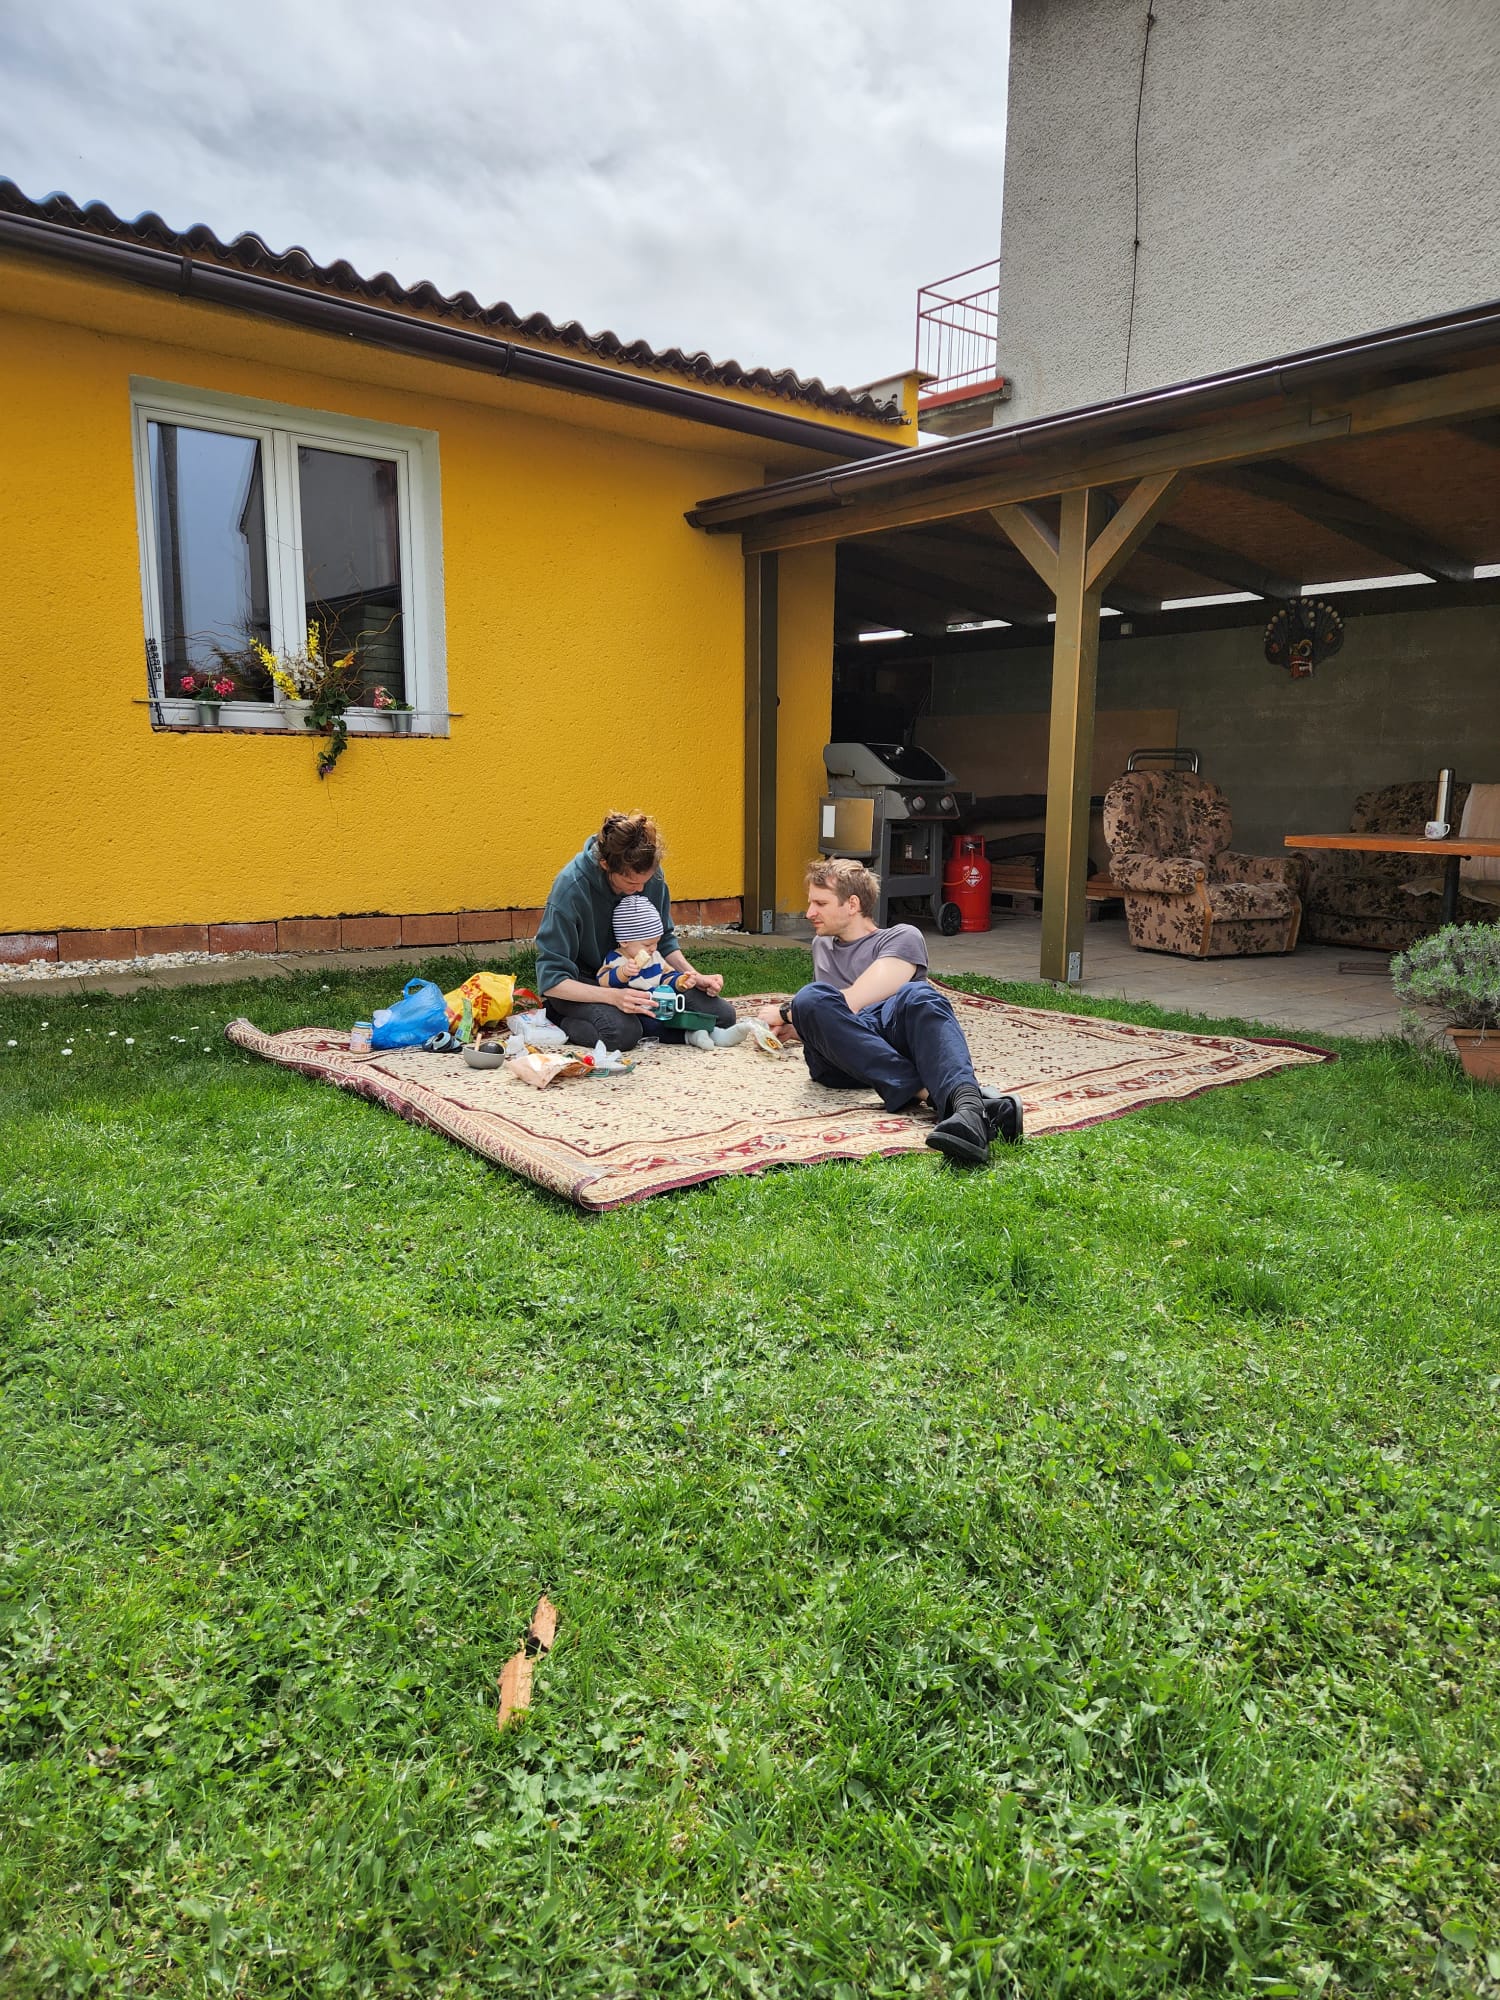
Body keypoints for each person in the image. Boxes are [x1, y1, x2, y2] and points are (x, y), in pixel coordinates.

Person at [758, 857, 1023, 1163]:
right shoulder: (822, 945)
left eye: (820, 903)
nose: (809, 913)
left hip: (891, 1039)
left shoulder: (902, 937)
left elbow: (855, 1001)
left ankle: (967, 1116)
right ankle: (960, 1105)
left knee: (920, 994)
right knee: (811, 999)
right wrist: (803, 1026)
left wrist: (786, 1011)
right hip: (839, 1067)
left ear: (852, 904)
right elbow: (836, 1016)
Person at [536, 811, 738, 1050]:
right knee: (621, 1033)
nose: (642, 888)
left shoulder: (649, 878)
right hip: (584, 984)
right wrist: (613, 997)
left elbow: (663, 943)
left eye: (646, 880)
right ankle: (556, 1018)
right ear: (605, 865)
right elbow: (552, 979)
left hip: (643, 979)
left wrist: (694, 977)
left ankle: (654, 1024)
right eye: (632, 883)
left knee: (723, 1017)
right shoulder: (571, 889)